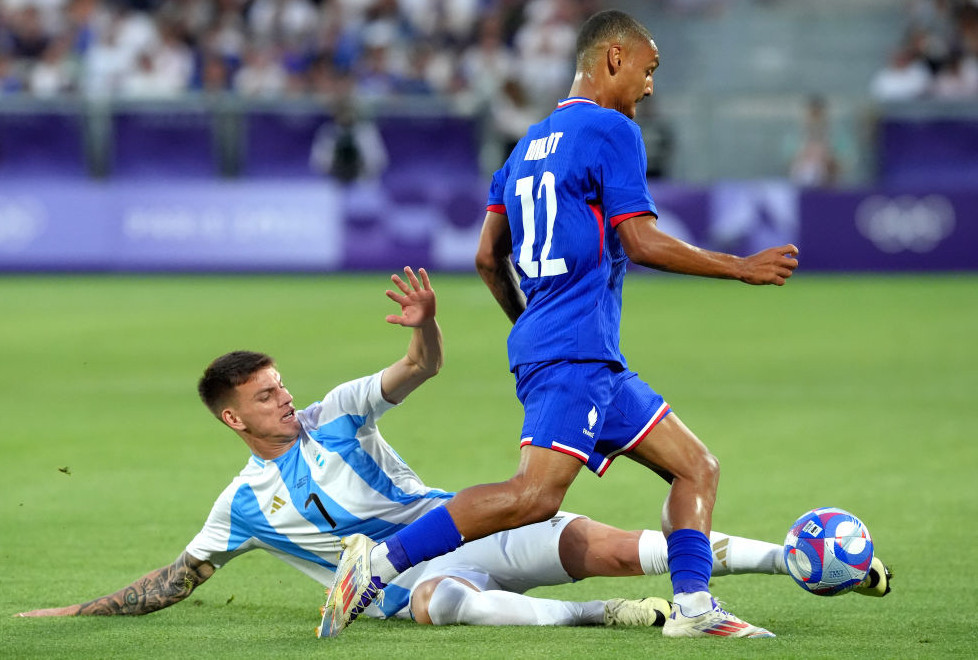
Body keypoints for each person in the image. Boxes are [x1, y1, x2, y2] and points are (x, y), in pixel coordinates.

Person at [17, 268, 891, 630]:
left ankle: (802, 561)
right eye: (265, 397)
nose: (285, 399)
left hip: (461, 526)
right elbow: (176, 580)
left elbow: (414, 370)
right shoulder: (241, 506)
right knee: (437, 602)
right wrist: (75, 615)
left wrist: (427, 330)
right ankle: (599, 620)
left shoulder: (336, 415)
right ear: (233, 419)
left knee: (627, 547)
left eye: (281, 386)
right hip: (413, 587)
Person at [321, 10, 812, 641]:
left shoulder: (526, 145)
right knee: (534, 496)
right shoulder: (612, 130)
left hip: (583, 354)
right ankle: (379, 561)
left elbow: (484, 256)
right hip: (574, 352)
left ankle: (693, 609)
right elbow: (640, 241)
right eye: (648, 68)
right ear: (612, 59)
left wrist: (531, 327)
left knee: (696, 466)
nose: (650, 86)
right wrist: (739, 267)